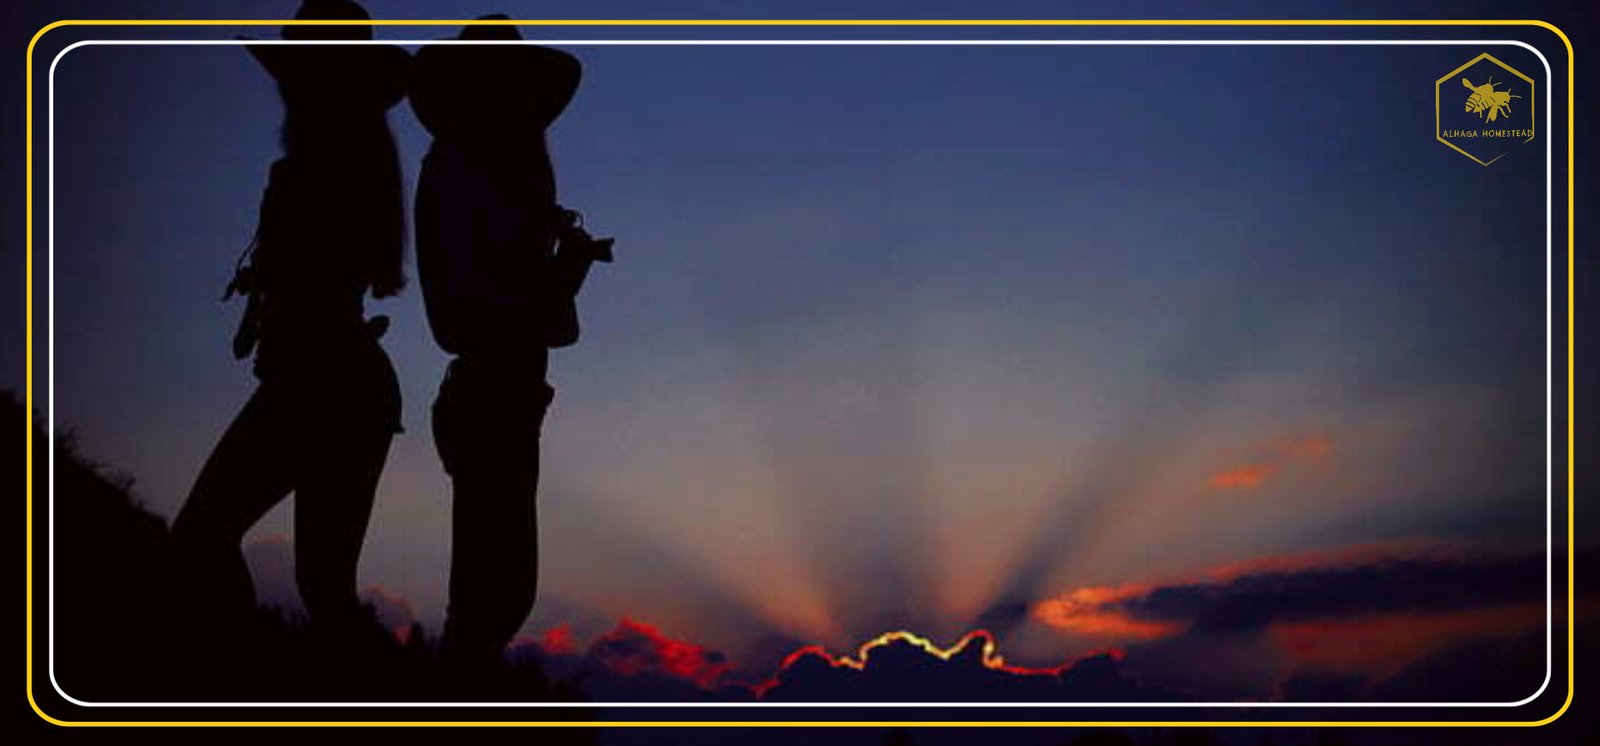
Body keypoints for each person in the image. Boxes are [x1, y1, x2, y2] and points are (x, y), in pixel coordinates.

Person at [169, 0, 408, 647]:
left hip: (319, 382)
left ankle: (240, 681)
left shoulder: (321, 170)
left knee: (204, 533)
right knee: (324, 587)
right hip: (347, 385)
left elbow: (311, 282)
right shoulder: (350, 166)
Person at [411, 16, 609, 672]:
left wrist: (554, 253)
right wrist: (567, 266)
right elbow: (521, 310)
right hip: (497, 388)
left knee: (492, 595)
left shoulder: (459, 171)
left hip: (497, 389)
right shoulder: (468, 174)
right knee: (492, 598)